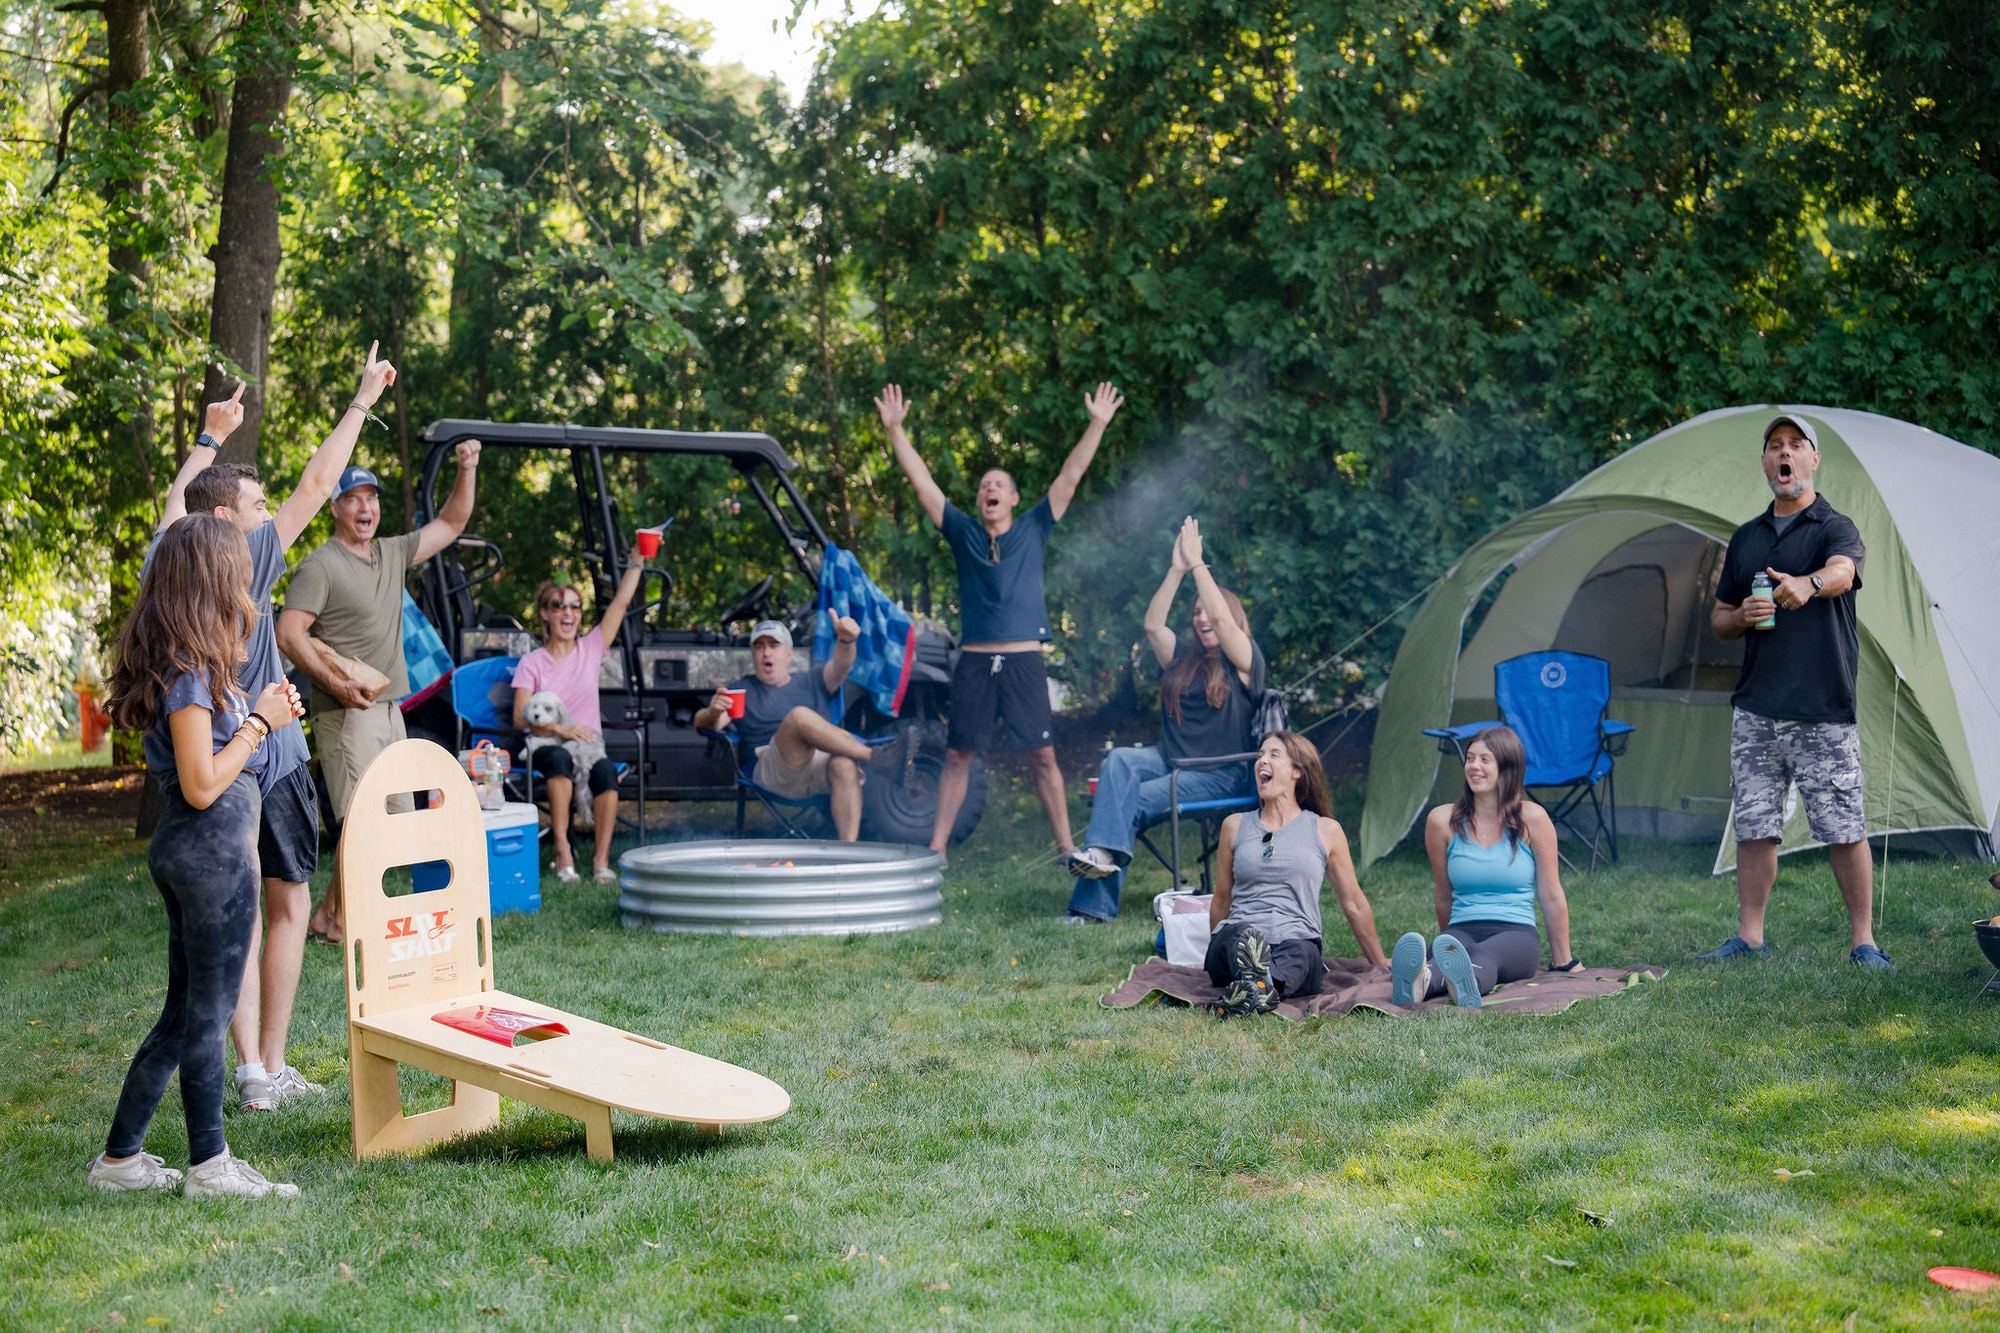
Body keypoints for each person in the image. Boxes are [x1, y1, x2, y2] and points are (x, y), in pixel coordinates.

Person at [145, 343, 397, 1112]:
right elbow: (319, 483)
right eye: (257, 507)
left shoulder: (169, 559)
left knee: (239, 908)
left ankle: (253, 1067)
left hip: (209, 761)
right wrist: (362, 400)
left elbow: (173, 506)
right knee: (286, 901)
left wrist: (209, 439)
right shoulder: (246, 555)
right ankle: (269, 1065)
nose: (268, 515)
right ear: (227, 520)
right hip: (271, 752)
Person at [92, 516, 307, 1199]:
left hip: (208, 851)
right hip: (210, 854)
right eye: (236, 569)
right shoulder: (186, 674)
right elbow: (201, 783)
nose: (246, 581)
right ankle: (210, 1166)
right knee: (208, 1019)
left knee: (184, 1014)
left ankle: (120, 1161)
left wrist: (267, 716)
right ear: (207, 580)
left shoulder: (199, 667)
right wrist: (259, 723)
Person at [875, 380, 1125, 857]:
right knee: (956, 754)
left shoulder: (1034, 526)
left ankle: (1067, 848)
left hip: (1023, 661)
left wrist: (1097, 423)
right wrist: (895, 431)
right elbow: (924, 486)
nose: (990, 488)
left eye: (999, 485)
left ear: (1013, 499)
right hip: (974, 662)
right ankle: (936, 850)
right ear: (980, 501)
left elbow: (1070, 475)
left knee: (1043, 756)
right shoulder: (964, 533)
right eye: (984, 485)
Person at [1697, 414, 1889, 969]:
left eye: (1796, 445)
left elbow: (1844, 572)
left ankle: (1863, 942)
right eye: (1775, 446)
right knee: (1754, 826)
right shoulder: (1746, 538)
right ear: (1765, 462)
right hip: (1756, 707)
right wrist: (1741, 616)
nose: (1785, 454)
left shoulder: (1834, 526)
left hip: (1822, 706)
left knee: (1843, 827)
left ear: (1813, 459)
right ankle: (1750, 937)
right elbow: (1720, 619)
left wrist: (1809, 584)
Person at [277, 438, 482, 943]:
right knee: (362, 821)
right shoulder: (320, 566)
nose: (365, 508)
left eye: (371, 498)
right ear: (335, 508)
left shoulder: (391, 553)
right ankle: (340, 920)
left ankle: (330, 916)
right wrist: (336, 684)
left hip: (389, 708)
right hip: (346, 714)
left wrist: (467, 468)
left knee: (385, 821)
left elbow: (452, 523)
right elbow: (289, 633)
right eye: (353, 499)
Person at [1063, 516, 1264, 921]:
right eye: (1196, 612)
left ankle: (1090, 909)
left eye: (1208, 610)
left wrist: (1198, 564)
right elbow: (1153, 626)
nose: (1203, 618)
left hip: (1219, 773)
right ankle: (1100, 853)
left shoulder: (1244, 660)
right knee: (1118, 760)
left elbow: (1223, 621)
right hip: (1170, 760)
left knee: (1127, 802)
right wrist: (1176, 569)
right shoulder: (1183, 657)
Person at [1394, 726, 1580, 1008]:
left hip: (1516, 934)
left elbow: (1551, 894)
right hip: (1462, 928)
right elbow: (1443, 893)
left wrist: (1564, 961)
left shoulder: (1532, 818)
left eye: (1485, 759)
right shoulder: (1442, 821)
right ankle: (1423, 981)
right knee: (1446, 955)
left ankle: (1465, 980)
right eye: (1470, 758)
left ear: (1507, 767)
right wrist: (1447, 942)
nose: (1474, 766)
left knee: (1483, 955)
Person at [1206, 731, 1386, 1016]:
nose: (1262, 761)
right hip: (1240, 934)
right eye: (1260, 755)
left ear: (1297, 771)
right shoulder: (1235, 826)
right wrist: (1216, 948)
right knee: (1239, 935)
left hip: (1295, 939)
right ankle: (1260, 984)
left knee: (1303, 953)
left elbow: (1354, 902)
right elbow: (1221, 900)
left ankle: (1256, 987)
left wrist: (1379, 964)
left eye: (1274, 755)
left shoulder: (1325, 830)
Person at [511, 548, 648, 882]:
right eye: (559, 605)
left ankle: (601, 860)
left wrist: (637, 561)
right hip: (547, 745)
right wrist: (561, 729)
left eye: (575, 606)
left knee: (605, 771)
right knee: (559, 758)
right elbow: (519, 719)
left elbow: (620, 604)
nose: (568, 612)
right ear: (545, 614)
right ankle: (562, 850)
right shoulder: (532, 662)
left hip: (588, 746)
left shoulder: (591, 648)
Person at [693, 615, 875, 839]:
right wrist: (712, 712)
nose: (766, 652)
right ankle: (875, 756)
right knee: (798, 717)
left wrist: (846, 641)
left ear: (789, 653)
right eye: (759, 646)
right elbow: (705, 723)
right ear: (753, 654)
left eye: (773, 645)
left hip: (818, 764)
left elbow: (841, 666)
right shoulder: (742, 689)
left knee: (844, 764)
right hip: (774, 771)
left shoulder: (812, 680)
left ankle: (847, 851)